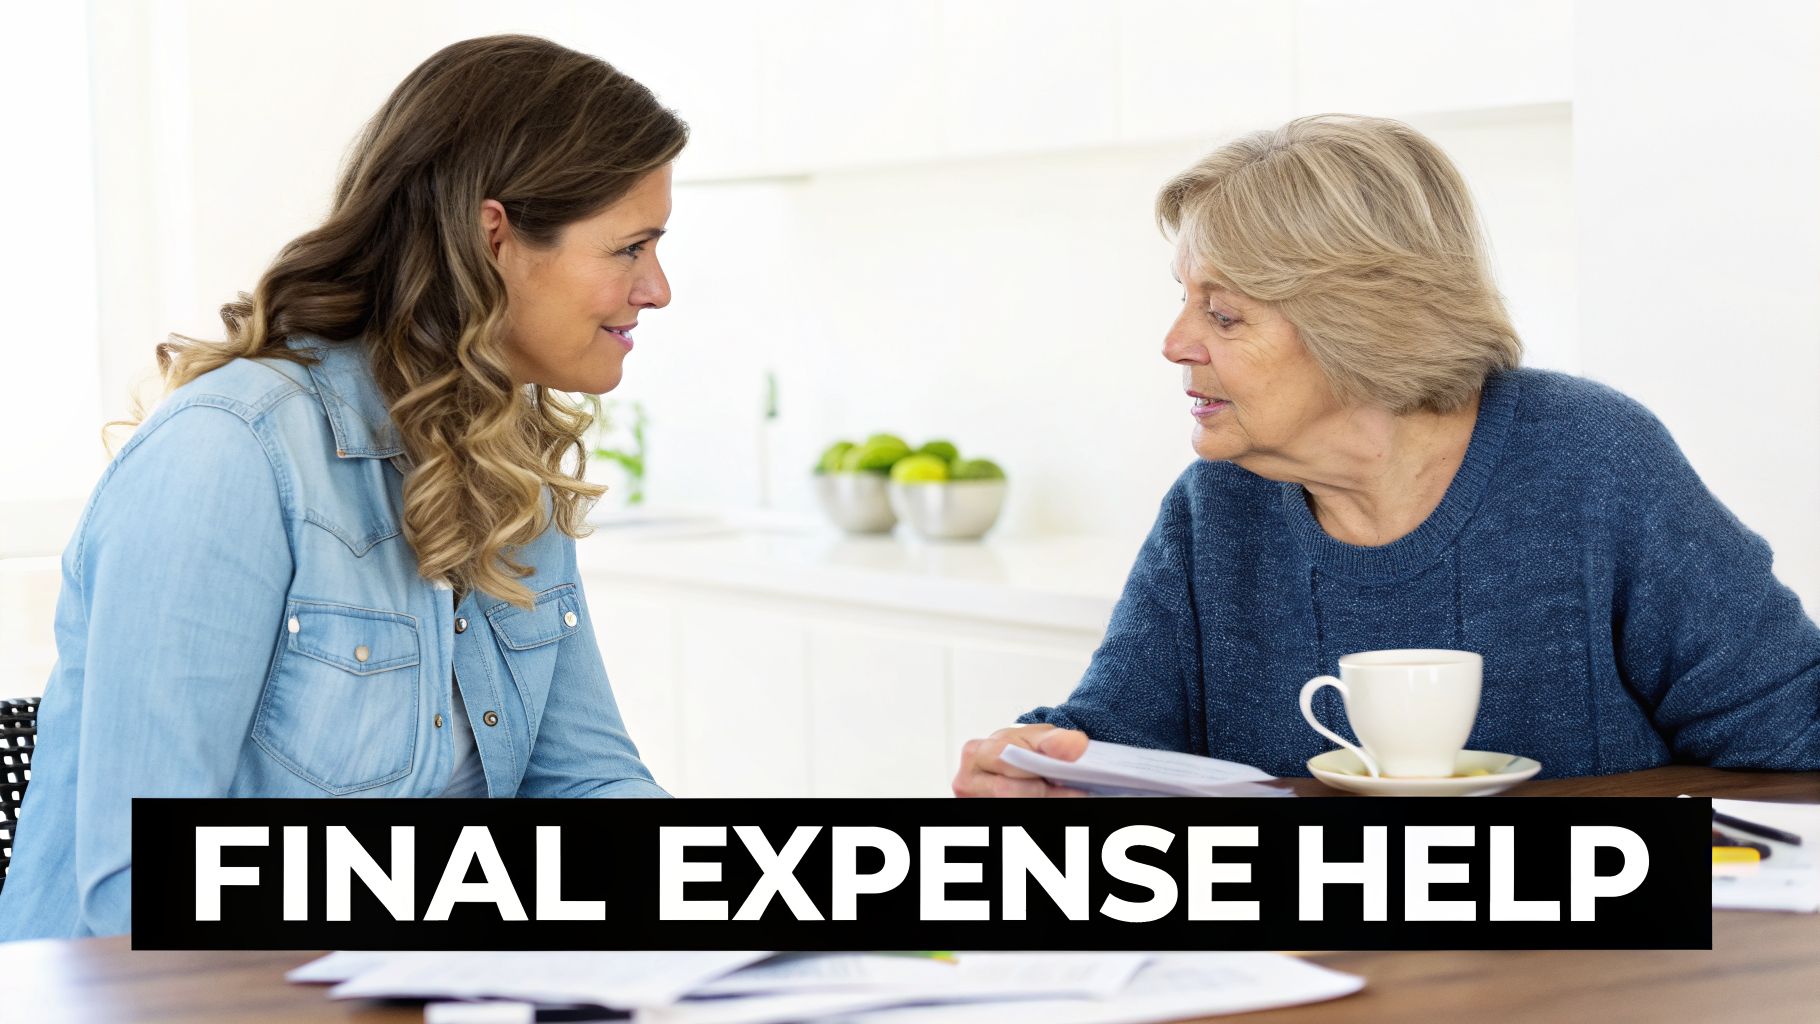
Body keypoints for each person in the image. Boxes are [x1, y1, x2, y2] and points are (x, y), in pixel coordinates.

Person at [0, 35, 683, 939]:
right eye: (629, 247)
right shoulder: (228, 456)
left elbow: (583, 781)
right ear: (495, 239)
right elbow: (136, 888)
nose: (659, 289)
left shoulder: (504, 454)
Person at [954, 114, 1820, 797]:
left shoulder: (1589, 459)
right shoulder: (1216, 507)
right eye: (1185, 301)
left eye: (1224, 315)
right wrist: (1036, 766)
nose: (1175, 342)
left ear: (1362, 327)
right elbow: (1114, 744)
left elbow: (1790, 728)